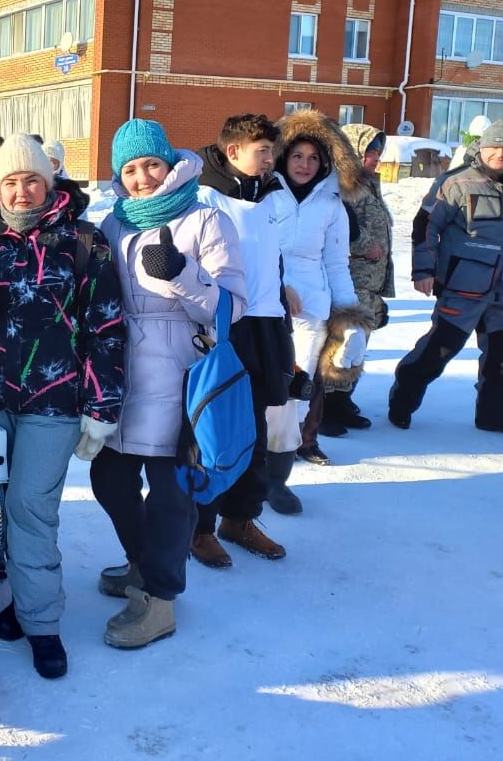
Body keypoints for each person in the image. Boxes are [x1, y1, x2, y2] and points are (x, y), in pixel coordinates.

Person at [0, 134, 124, 679]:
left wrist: (102, 403)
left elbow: (107, 327)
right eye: (10, 182)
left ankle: (42, 623)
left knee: (31, 509)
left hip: (54, 401)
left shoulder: (83, 243)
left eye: (31, 180)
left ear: (49, 182)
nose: (21, 192)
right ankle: (23, 600)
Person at [90, 119, 246, 645]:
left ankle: (161, 602)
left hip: (183, 376)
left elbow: (232, 309)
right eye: (130, 169)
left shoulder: (206, 219)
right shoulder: (114, 224)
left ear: (170, 163)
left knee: (169, 493)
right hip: (123, 374)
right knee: (110, 479)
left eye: (151, 165)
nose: (141, 178)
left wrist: (181, 273)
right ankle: (142, 564)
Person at [389, 120, 503, 439]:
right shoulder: (458, 182)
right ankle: (402, 401)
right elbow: (425, 227)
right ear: (482, 146)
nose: (499, 153)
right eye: (494, 146)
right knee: (437, 353)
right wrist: (424, 271)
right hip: (463, 288)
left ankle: (495, 415)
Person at [192, 113, 298, 560]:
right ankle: (200, 527)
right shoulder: (204, 196)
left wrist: (282, 285)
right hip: (225, 327)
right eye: (263, 151)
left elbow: (273, 252)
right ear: (234, 152)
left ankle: (240, 518)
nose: (271, 159)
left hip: (267, 325)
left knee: (254, 430)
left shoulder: (274, 194)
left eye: (271, 150)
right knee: (216, 431)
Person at [272, 110, 359, 466]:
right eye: (297, 156)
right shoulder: (263, 194)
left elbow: (337, 263)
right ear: (283, 156)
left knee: (307, 379)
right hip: (266, 301)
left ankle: (301, 443)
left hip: (312, 307)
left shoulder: (330, 203)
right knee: (270, 378)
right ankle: (266, 447)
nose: (304, 164)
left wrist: (351, 319)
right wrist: (279, 288)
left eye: (313, 158)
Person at [318, 123, 395, 436]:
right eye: (370, 152)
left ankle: (343, 401)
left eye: (378, 152)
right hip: (349, 279)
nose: (376, 158)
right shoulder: (339, 185)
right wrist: (366, 244)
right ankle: (325, 409)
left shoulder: (367, 184)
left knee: (357, 346)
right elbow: (337, 227)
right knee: (340, 344)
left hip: (369, 283)